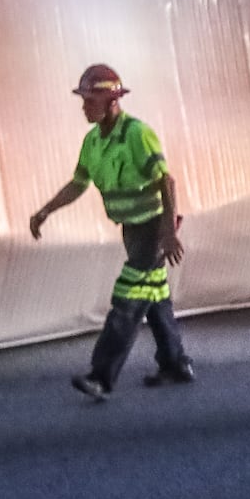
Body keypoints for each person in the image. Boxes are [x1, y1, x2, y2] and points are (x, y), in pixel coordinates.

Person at [29, 64, 195, 401]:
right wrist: (45, 211)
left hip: (152, 229)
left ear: (112, 101)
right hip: (131, 230)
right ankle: (175, 363)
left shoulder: (136, 134)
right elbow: (78, 184)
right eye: (85, 99)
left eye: (91, 100)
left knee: (127, 300)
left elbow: (166, 180)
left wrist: (167, 233)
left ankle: (101, 376)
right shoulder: (92, 142)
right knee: (154, 295)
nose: (84, 107)